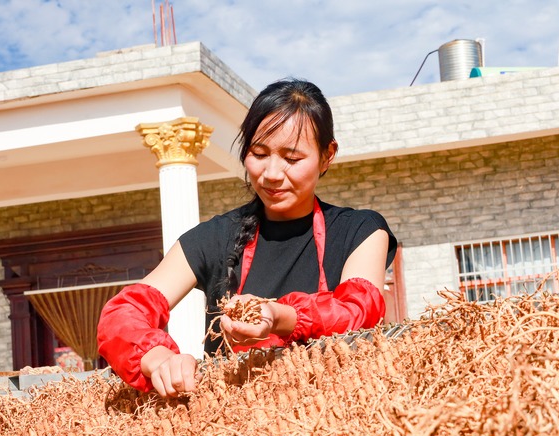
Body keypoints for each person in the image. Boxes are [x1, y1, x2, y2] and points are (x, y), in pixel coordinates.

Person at [97, 78, 397, 398]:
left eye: (292, 158)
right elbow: (122, 313)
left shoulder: (359, 230)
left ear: (327, 155)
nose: (271, 173)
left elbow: (359, 309)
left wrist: (277, 316)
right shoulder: (215, 238)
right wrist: (156, 358)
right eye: (259, 153)